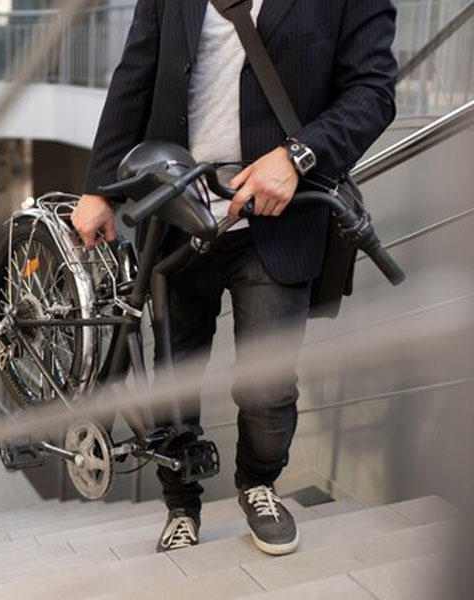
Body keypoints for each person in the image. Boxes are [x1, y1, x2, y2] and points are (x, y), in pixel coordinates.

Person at [71, 0, 397, 555]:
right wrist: (100, 186)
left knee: (267, 388)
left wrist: (297, 157)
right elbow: (137, 74)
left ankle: (258, 484)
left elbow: (372, 92)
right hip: (175, 213)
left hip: (278, 219)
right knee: (175, 376)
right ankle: (181, 505)